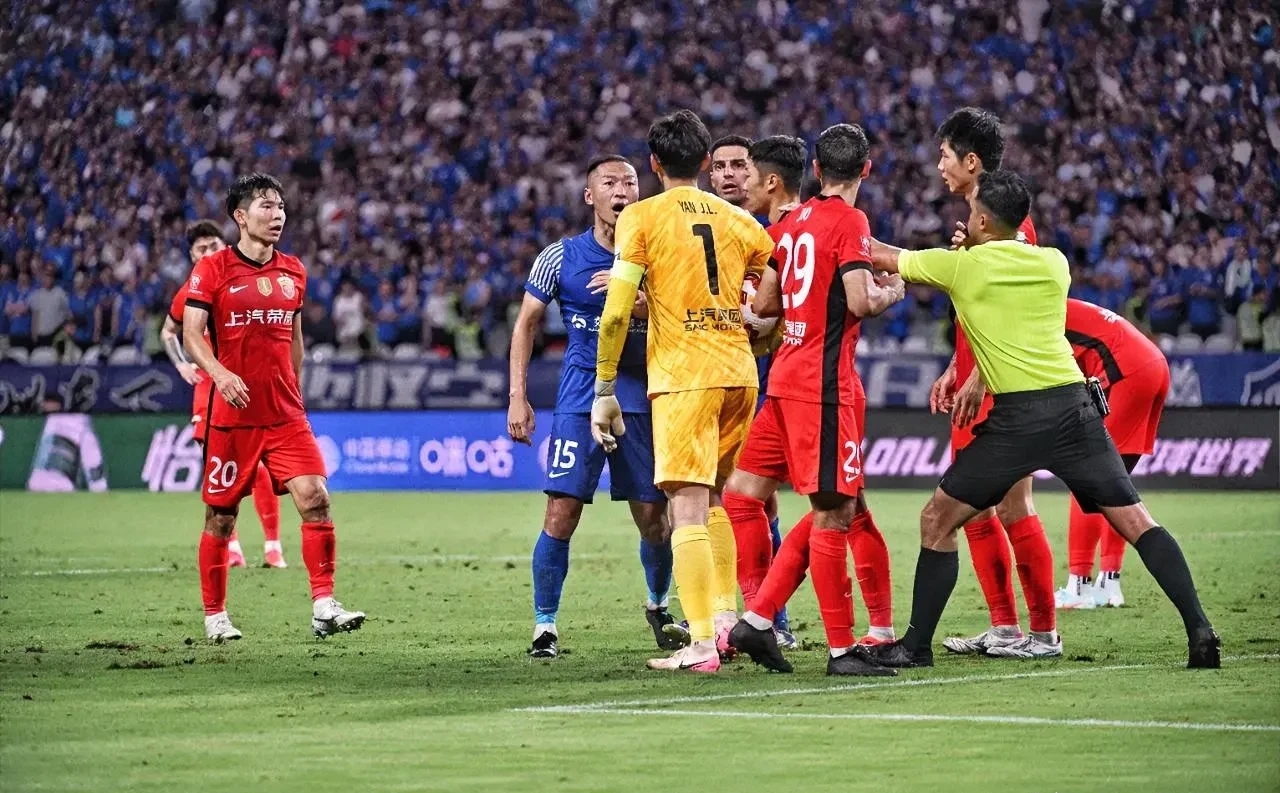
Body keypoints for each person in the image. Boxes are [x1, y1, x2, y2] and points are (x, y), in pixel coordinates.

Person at [859, 170, 1219, 670]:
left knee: (937, 520)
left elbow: (881, 254)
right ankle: (1200, 629)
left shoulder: (963, 267)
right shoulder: (1055, 263)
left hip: (1016, 420)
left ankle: (915, 647)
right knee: (1137, 521)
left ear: (982, 221)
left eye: (972, 213)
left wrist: (834, 223)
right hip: (1075, 409)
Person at [592, 109, 773, 672]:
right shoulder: (741, 221)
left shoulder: (641, 217)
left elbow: (616, 312)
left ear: (653, 163)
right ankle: (723, 620)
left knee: (686, 509)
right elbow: (777, 284)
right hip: (739, 373)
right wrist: (763, 333)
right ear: (704, 161)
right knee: (716, 499)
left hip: (684, 375)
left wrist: (604, 387)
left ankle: (699, 644)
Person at [724, 129, 902, 677]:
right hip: (823, 391)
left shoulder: (788, 225)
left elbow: (765, 304)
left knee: (742, 494)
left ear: (818, 169)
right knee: (836, 513)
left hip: (783, 380)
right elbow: (861, 302)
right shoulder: (851, 221)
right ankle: (841, 650)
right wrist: (892, 291)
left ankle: (758, 616)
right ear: (866, 170)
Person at [182, 173, 365, 642]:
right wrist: (220, 374)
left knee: (315, 498)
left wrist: (295, 389)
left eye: (281, 206)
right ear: (240, 217)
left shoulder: (293, 270)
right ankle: (215, 615)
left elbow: (295, 340)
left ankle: (324, 605)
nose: (277, 214)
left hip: (285, 413)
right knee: (221, 517)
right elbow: (191, 334)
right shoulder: (213, 269)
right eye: (266, 206)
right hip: (233, 417)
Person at [507, 155, 677, 659]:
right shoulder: (559, 257)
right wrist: (517, 396)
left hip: (642, 396)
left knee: (654, 518)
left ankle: (658, 604)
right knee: (561, 512)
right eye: (610, 182)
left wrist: (644, 302)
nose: (622, 190)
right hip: (580, 398)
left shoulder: (661, 252)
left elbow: (688, 314)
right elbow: (526, 324)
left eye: (630, 181)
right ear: (590, 195)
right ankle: (544, 625)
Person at [930, 108, 1060, 659]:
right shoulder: (978, 222)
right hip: (975, 382)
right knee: (976, 510)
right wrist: (956, 367)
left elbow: (1018, 314)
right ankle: (1005, 628)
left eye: (944, 156)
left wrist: (981, 377)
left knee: (1013, 507)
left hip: (1003, 390)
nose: (939, 166)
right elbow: (979, 311)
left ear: (971, 161)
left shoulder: (1011, 223)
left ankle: (1044, 634)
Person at [705, 133, 793, 648]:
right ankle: (722, 614)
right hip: (707, 376)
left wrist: (762, 328)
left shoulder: (776, 233)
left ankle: (771, 619)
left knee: (760, 499)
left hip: (764, 379)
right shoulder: (699, 230)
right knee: (708, 497)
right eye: (720, 167)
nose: (730, 175)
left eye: (740, 165)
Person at [161, 220, 285, 570]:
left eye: (213, 245)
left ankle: (273, 546)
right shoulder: (193, 289)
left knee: (259, 467)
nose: (208, 253)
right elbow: (168, 331)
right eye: (200, 249)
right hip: (210, 386)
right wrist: (181, 364)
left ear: (224, 245)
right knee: (220, 469)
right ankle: (232, 548)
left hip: (248, 384)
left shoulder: (247, 278)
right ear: (192, 255)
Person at [1056, 298, 1170, 609]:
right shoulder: (1055, 301)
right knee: (1114, 484)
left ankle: (1078, 586)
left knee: (1087, 479)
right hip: (1153, 364)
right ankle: (1109, 583)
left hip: (1127, 371)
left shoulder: (1033, 314)